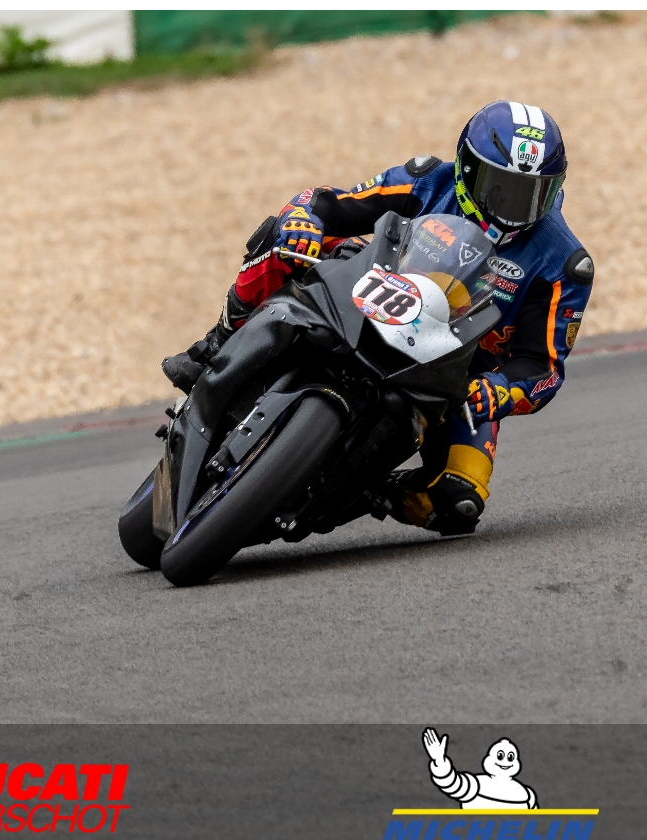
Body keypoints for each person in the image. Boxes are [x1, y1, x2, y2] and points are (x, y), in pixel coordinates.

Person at [162, 100, 594, 535]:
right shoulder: (429, 179)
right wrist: (303, 220)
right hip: (372, 293)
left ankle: (362, 488)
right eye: (500, 187)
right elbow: (328, 202)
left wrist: (497, 392)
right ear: (466, 168)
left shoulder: (563, 262)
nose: (514, 207)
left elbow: (542, 368)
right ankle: (216, 343)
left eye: (532, 193)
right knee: (281, 235)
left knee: (458, 501)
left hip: (455, 372)